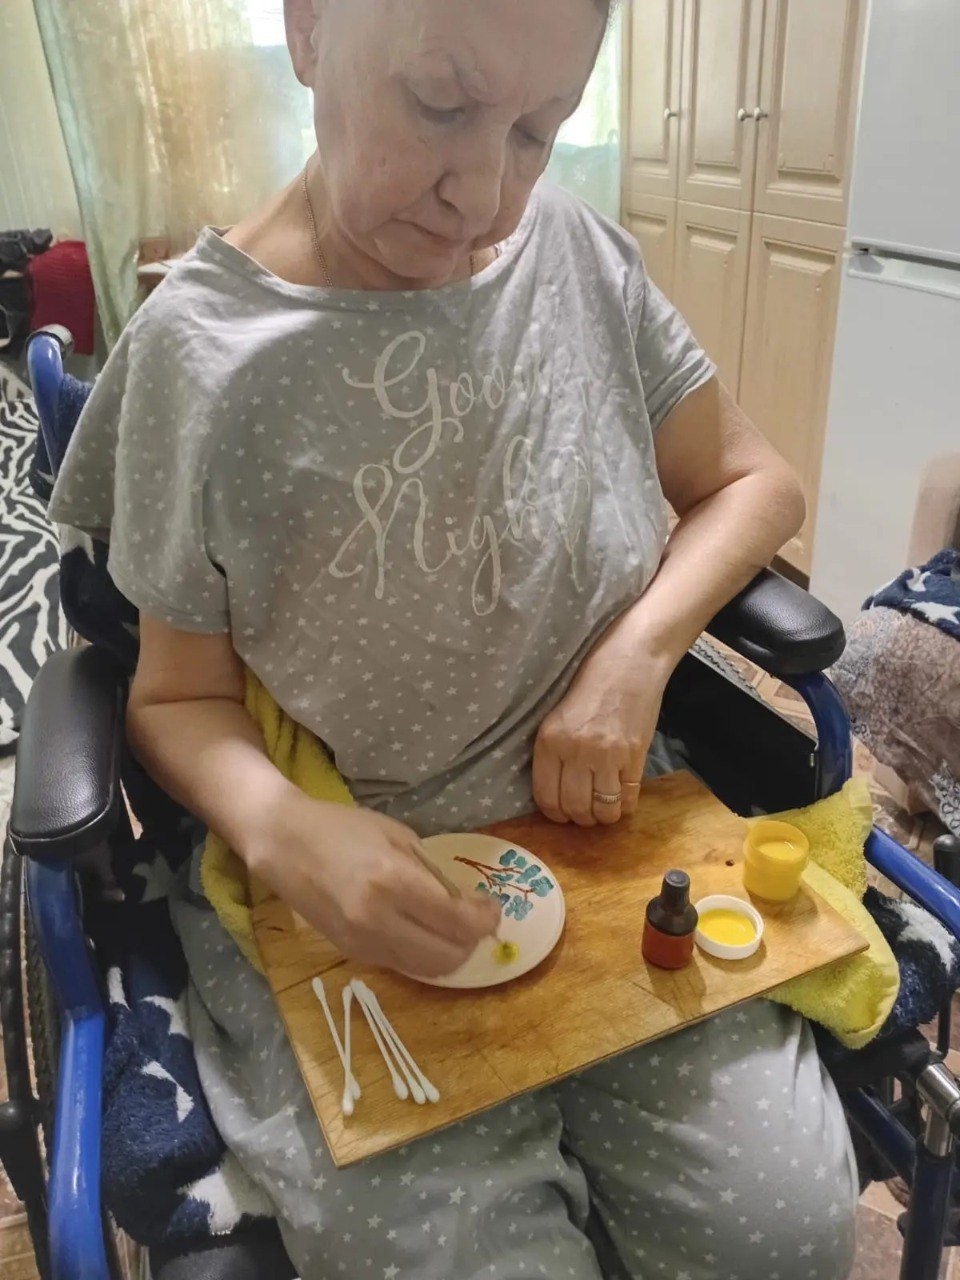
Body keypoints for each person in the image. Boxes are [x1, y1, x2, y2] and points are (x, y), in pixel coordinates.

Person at [49, 0, 859, 1275]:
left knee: (786, 1231)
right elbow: (175, 696)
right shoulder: (198, 358)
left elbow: (756, 483)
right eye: (439, 104)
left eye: (540, 129)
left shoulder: (577, 259)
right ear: (309, 31)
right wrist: (283, 828)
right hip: (352, 889)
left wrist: (637, 653)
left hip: (610, 843)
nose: (484, 195)